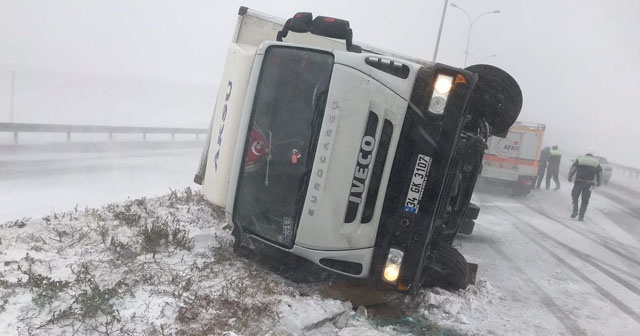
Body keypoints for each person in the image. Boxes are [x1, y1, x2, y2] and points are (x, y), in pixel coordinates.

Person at [568, 148, 602, 221]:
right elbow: (599, 173)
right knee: (585, 200)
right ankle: (581, 216)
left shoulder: (580, 159)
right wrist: (599, 182)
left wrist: (570, 177)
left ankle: (575, 210)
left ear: (586, 154)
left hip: (578, 182)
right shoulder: (596, 162)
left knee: (575, 196)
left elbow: (573, 168)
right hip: (588, 184)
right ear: (592, 155)